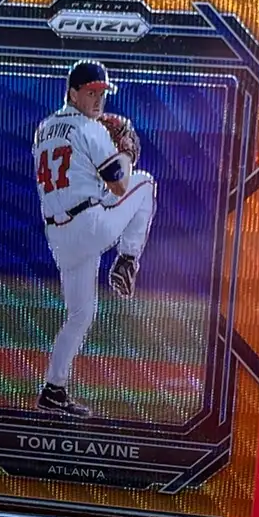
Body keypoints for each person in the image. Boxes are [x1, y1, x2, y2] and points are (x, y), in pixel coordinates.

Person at [31, 60, 157, 417]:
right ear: (73, 93)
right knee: (144, 183)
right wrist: (125, 154)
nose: (98, 100)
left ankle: (53, 390)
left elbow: (77, 179)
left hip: (59, 237)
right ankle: (127, 260)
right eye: (91, 92)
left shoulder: (44, 128)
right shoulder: (90, 128)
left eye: (102, 93)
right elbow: (119, 184)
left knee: (80, 315)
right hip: (88, 226)